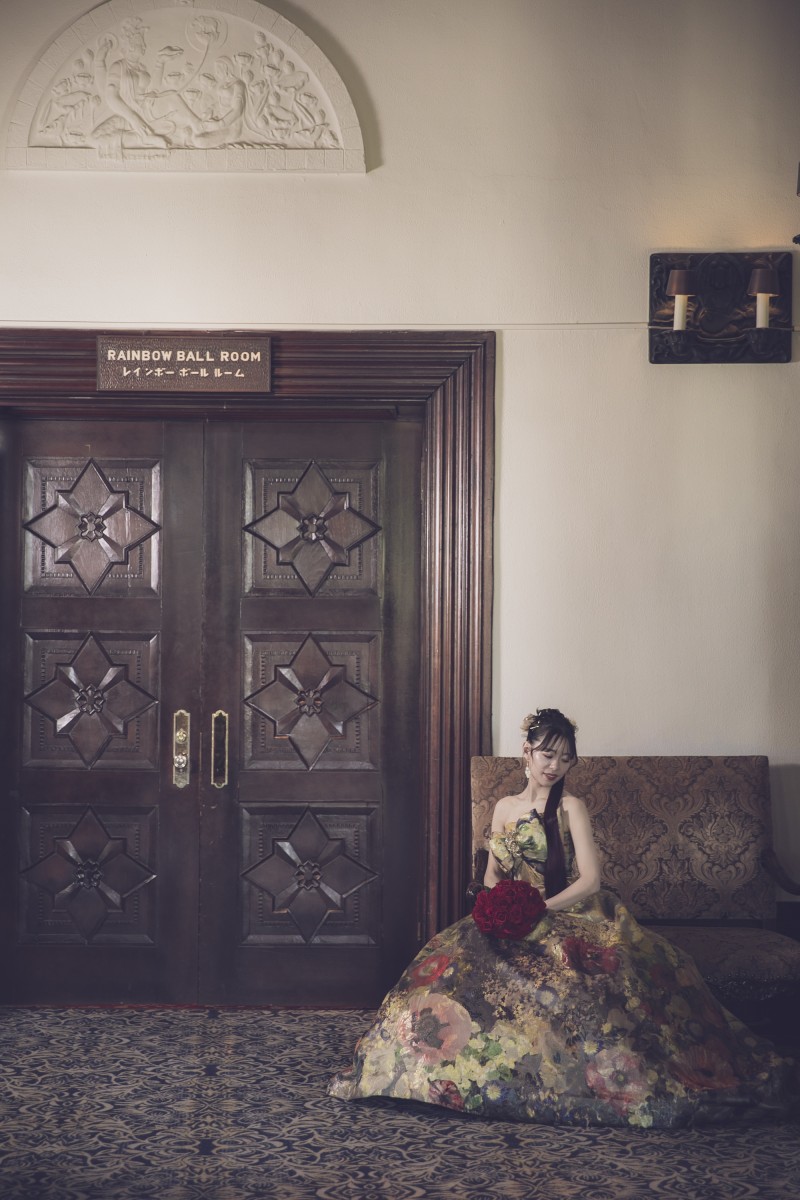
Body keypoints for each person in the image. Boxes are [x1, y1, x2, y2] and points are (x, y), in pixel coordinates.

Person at [329, 708, 797, 1127]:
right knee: (447, 974)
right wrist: (497, 901)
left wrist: (539, 910)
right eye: (547, 755)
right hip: (512, 915)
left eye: (565, 759)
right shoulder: (503, 807)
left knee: (583, 982)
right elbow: (492, 875)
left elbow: (591, 880)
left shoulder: (572, 807)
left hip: (563, 909)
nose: (554, 766)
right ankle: (433, 1076)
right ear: (527, 752)